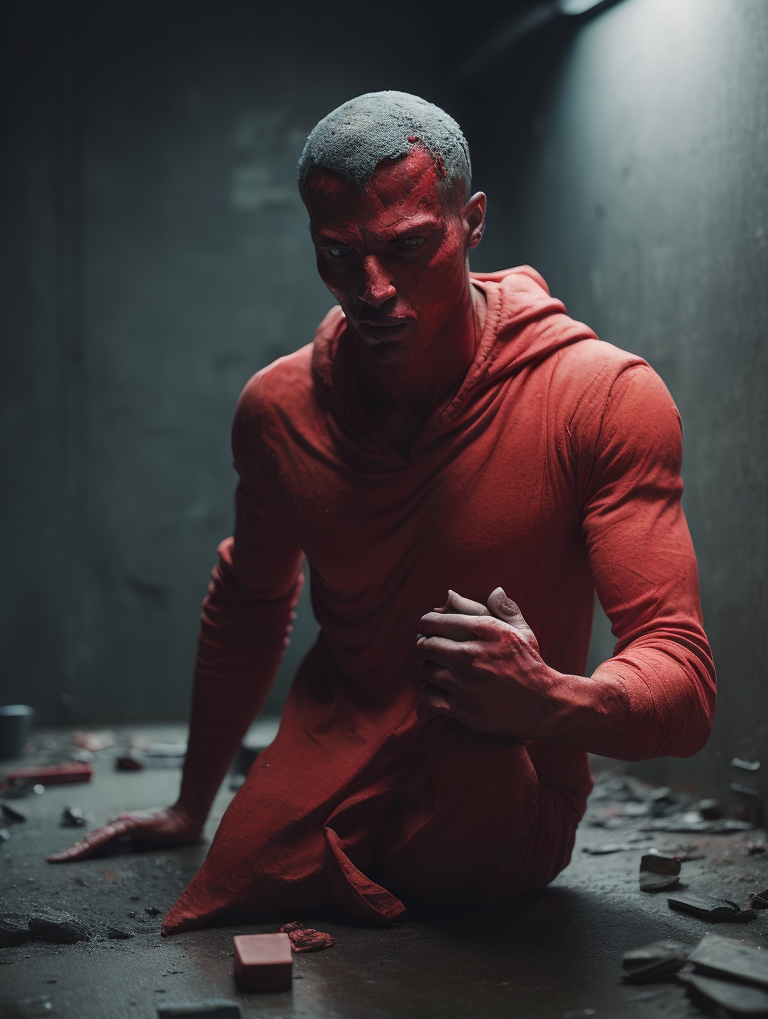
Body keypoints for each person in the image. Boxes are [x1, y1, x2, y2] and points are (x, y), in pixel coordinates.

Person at [49, 91, 716, 934]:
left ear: (471, 222)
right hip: (338, 748)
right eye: (338, 255)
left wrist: (547, 702)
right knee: (235, 880)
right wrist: (191, 805)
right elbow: (251, 603)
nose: (373, 289)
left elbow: (682, 677)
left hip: (506, 766)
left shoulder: (602, 395)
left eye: (409, 247)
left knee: (463, 807)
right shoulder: (278, 409)